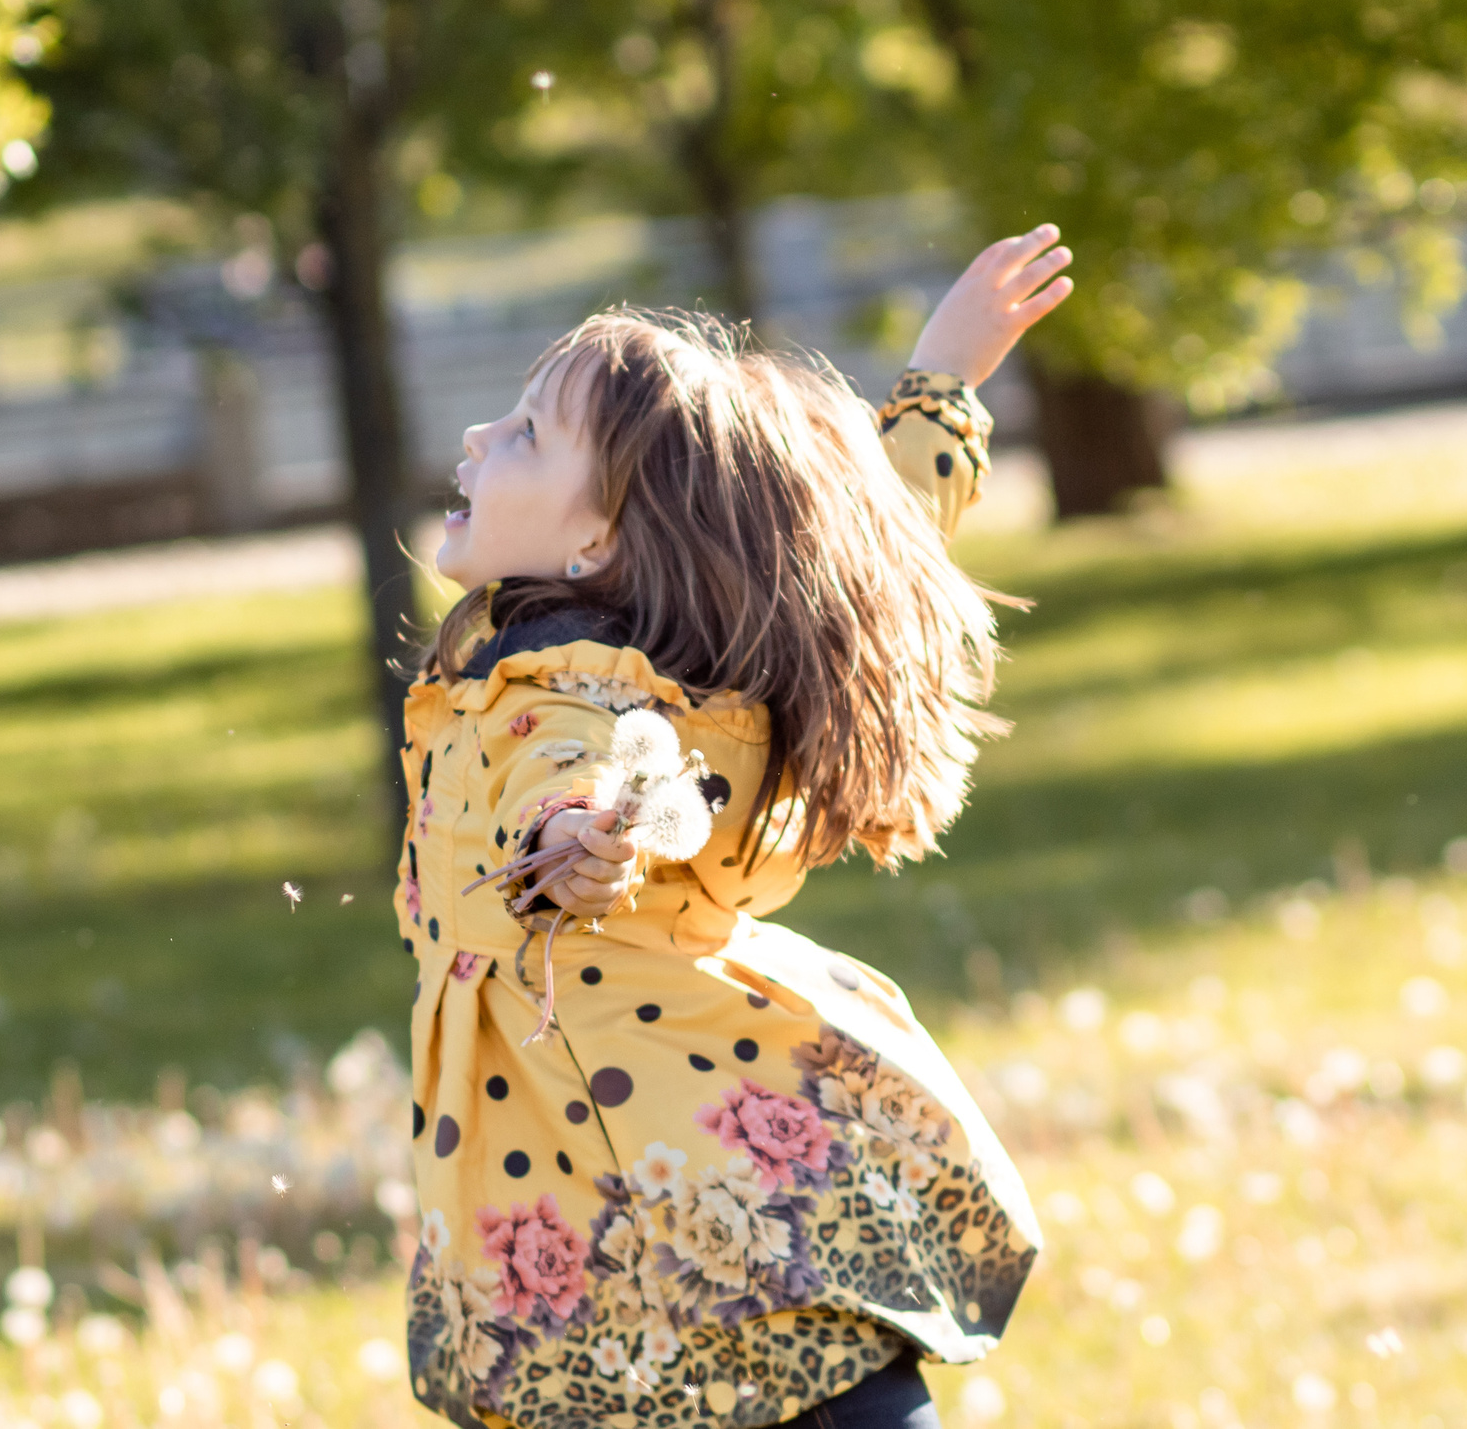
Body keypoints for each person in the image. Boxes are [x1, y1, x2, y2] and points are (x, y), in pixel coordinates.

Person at [397, 227, 1075, 1429]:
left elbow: (585, 773)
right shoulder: (712, 663)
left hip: (663, 1226)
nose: (476, 441)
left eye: (525, 436)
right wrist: (944, 379)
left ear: (597, 539)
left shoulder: (568, 693)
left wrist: (577, 835)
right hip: (716, 1212)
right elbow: (873, 545)